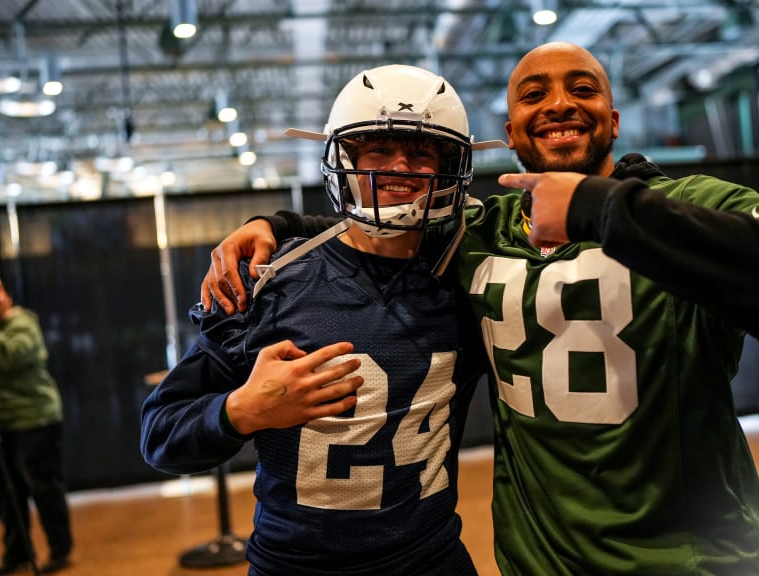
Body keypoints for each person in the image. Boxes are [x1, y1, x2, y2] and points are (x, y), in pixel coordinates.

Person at [201, 43, 759, 575]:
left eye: (583, 89)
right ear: (510, 133)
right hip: (538, 562)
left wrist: (601, 206)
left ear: (614, 120)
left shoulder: (688, 202)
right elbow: (382, 217)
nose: (560, 103)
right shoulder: (477, 230)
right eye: (534, 94)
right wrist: (276, 225)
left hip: (692, 559)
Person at [141, 64, 498, 575]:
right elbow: (160, 436)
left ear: (450, 168)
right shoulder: (273, 279)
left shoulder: (466, 271)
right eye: (378, 149)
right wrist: (241, 410)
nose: (399, 166)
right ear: (344, 159)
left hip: (430, 560)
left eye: (421, 152)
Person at [0, 268, 73, 575]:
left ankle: (60, 550)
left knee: (44, 487)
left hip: (37, 420)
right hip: (3, 425)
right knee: (4, 491)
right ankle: (18, 552)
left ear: (7, 296)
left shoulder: (22, 323)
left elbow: (12, 359)